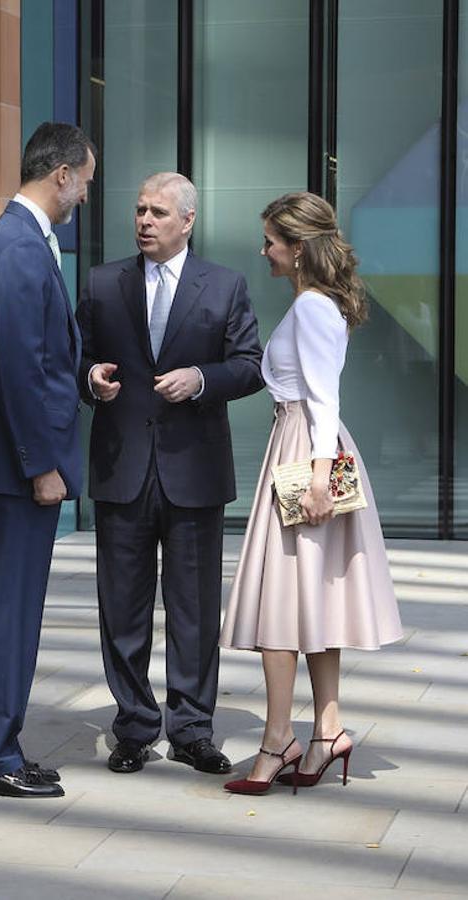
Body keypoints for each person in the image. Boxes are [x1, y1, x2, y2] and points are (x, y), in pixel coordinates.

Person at [77, 172, 264, 777]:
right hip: (122, 467)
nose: (145, 222)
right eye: (139, 211)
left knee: (193, 608)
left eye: (158, 212)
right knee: (122, 606)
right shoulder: (105, 282)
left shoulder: (225, 285)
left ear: (188, 221)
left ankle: (191, 728)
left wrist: (202, 380)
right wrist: (92, 379)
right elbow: (75, 353)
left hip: (194, 470)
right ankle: (133, 725)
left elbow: (251, 365)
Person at [220, 192, 403, 794]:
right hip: (305, 448)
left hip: (305, 453)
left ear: (298, 249)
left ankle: (278, 741)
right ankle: (327, 732)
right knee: (311, 602)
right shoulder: (313, 304)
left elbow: (325, 398)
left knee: (280, 605)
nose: (264, 250)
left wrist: (320, 476)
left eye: (271, 241)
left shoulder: (311, 309)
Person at [0, 121, 96, 799]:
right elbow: (17, 367)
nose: (87, 196)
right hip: (14, 467)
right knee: (8, 613)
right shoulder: (15, 244)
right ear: (60, 174)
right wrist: (41, 464)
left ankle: (0, 747)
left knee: (15, 612)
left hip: (15, 461)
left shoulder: (25, 241)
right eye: (86, 181)